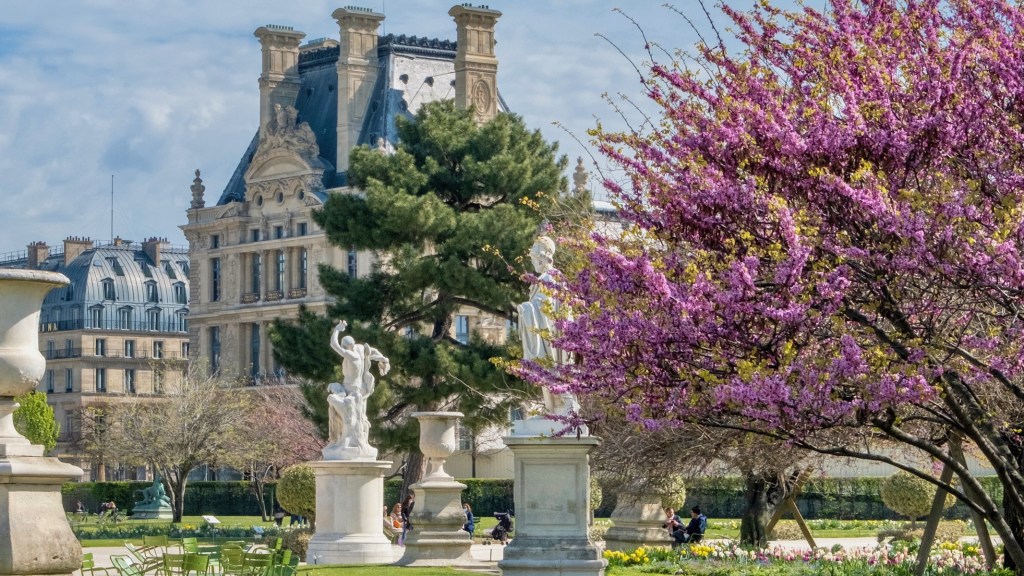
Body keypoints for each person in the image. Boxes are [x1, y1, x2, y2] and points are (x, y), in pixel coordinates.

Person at [517, 236, 580, 417]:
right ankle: (550, 408)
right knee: (545, 371)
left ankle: (568, 406)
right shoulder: (545, 278)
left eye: (534, 258)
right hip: (548, 333)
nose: (532, 262)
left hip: (554, 335)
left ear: (543, 256)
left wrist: (526, 309)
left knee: (552, 370)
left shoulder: (551, 277)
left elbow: (546, 306)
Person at [325, 320, 390, 459]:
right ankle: (350, 441)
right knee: (358, 417)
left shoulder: (351, 355)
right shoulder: (359, 350)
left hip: (350, 388)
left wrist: (337, 329)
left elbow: (333, 344)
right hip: (360, 388)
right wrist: (384, 359)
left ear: (346, 347)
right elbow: (371, 352)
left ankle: (349, 442)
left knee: (349, 416)